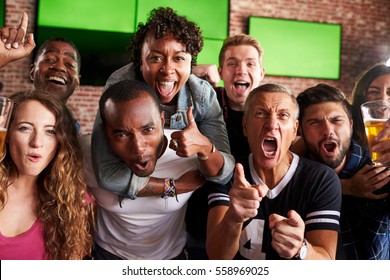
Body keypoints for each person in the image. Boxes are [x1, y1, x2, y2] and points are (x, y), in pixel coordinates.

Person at [91, 7, 233, 200]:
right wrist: (175, 187)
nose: (167, 70)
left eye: (179, 58)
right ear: (140, 62)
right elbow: (108, 175)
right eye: (156, 58)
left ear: (191, 64)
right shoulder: (119, 87)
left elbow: (224, 172)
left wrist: (205, 148)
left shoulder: (201, 95)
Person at [206, 84, 342, 260]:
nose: (271, 124)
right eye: (260, 113)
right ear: (245, 125)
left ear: (294, 130)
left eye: (282, 115)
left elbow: (327, 263)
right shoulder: (227, 173)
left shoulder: (322, 179)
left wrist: (301, 249)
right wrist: (233, 218)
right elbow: (216, 258)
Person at [81, 79, 206, 259]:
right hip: (106, 255)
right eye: (121, 134)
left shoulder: (187, 151)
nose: (138, 147)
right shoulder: (87, 152)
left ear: (162, 121)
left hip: (170, 258)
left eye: (147, 129)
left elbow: (222, 172)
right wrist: (175, 186)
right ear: (105, 133)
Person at [297, 83, 390, 260]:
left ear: (352, 124)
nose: (327, 131)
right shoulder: (293, 174)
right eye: (315, 122)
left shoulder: (378, 167)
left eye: (336, 120)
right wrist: (345, 187)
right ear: (300, 130)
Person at [0, 90, 93, 260]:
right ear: (7, 133)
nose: (36, 142)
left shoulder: (73, 198)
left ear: (60, 141)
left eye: (50, 131)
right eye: (25, 128)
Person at [194, 34, 265, 161]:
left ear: (261, 74)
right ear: (220, 73)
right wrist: (191, 71)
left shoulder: (273, 110)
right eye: (232, 64)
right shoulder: (204, 100)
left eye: (250, 64)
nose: (241, 70)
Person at [0, 12, 81, 104]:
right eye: (49, 60)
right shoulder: (4, 115)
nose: (59, 67)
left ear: (77, 82)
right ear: (32, 71)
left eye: (69, 65)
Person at [351, 61, 390, 167]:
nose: (383, 99)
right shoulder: (345, 130)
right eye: (374, 92)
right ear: (361, 97)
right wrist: (348, 184)